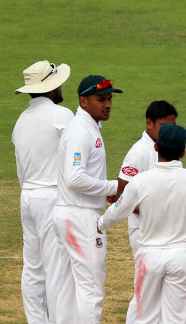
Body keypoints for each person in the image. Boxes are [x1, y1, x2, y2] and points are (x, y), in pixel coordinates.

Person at [98, 124, 186, 324]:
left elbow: (119, 209)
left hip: (150, 255)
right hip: (182, 254)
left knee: (143, 317)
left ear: (156, 147)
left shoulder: (141, 181)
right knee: (177, 319)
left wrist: (101, 223)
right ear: (183, 152)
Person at [52, 75, 123, 323]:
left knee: (68, 290)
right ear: (83, 101)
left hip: (70, 214)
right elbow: (75, 178)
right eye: (101, 99)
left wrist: (106, 189)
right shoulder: (80, 131)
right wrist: (113, 186)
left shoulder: (86, 127)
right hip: (80, 216)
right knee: (91, 291)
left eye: (109, 99)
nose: (107, 104)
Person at [12, 60, 74, 324]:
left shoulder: (20, 121)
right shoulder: (62, 116)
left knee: (33, 268)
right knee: (56, 267)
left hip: (27, 197)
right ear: (50, 89)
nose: (61, 86)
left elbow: (20, 170)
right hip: (51, 197)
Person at [113, 100, 178, 323]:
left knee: (159, 292)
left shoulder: (165, 149)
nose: (169, 132)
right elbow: (122, 193)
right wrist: (155, 209)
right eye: (165, 126)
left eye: (173, 127)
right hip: (143, 232)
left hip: (163, 232)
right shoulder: (139, 153)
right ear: (149, 123)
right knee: (146, 291)